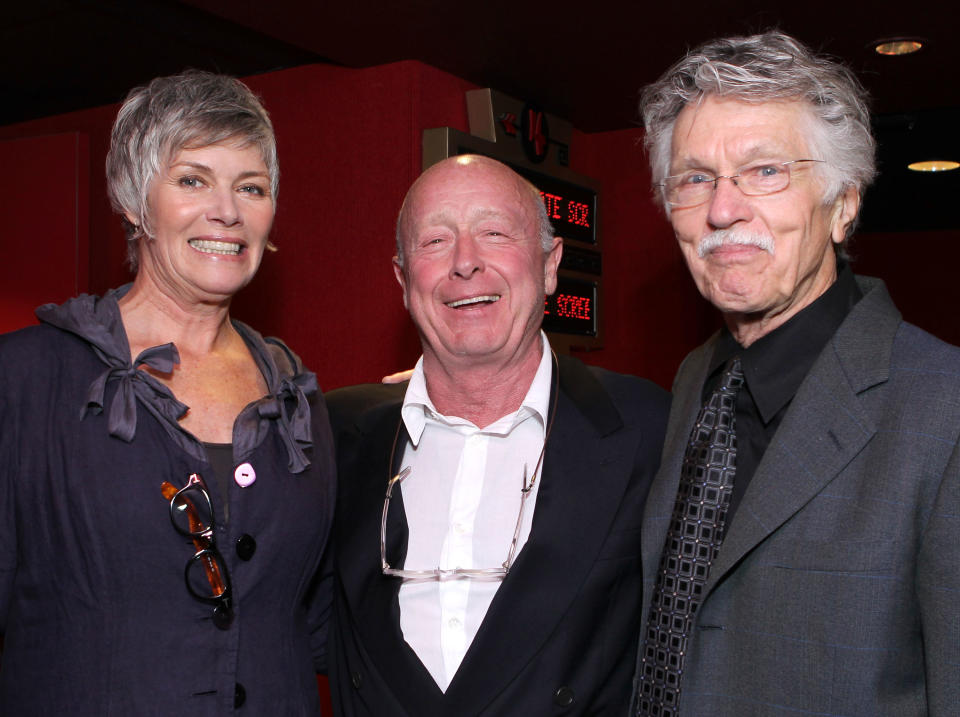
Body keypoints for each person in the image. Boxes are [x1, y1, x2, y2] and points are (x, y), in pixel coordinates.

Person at [629, 31, 960, 716]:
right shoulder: (695, 380)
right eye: (695, 178)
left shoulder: (943, 408)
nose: (723, 209)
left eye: (766, 171)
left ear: (843, 205)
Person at [0, 71, 334, 714]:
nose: (228, 211)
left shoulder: (300, 403)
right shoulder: (25, 381)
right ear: (133, 200)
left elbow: (321, 625)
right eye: (192, 179)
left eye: (251, 187)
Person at [324, 154, 669, 716]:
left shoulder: (650, 429)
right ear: (402, 278)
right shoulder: (335, 436)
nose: (465, 263)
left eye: (494, 232)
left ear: (550, 263)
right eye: (435, 241)